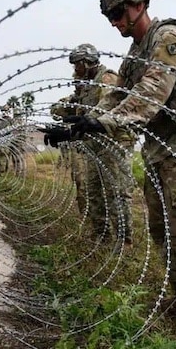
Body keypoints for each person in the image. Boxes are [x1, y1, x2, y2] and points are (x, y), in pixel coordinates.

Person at [49, 0, 176, 344]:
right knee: (163, 230)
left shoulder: (168, 38)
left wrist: (101, 121)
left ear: (139, 5)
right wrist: (79, 126)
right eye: (109, 17)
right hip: (157, 150)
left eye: (118, 13)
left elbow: (153, 92)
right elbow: (115, 100)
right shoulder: (133, 57)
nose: (115, 23)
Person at [44, 44, 136, 245]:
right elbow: (75, 106)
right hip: (95, 145)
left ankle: (124, 241)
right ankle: (101, 236)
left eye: (77, 65)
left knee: (116, 192)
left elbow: (110, 112)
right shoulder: (85, 84)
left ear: (86, 63)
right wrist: (57, 110)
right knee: (94, 190)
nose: (75, 70)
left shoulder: (106, 80)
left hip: (113, 143)